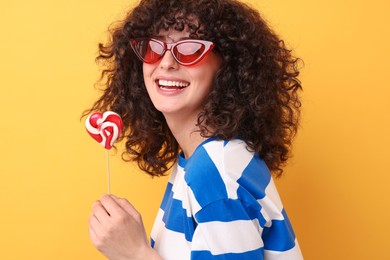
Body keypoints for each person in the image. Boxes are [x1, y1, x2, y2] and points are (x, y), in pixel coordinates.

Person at [85, 0, 303, 259]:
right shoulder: (204, 160)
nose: (166, 63)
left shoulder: (215, 173)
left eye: (189, 49)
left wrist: (135, 253)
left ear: (228, 66)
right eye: (155, 47)